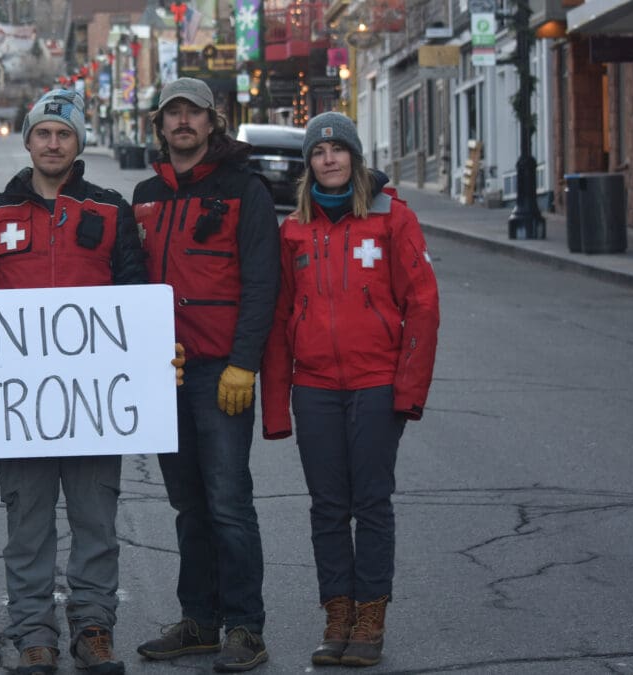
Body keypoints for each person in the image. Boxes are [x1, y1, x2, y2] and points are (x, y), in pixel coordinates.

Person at [0, 88, 148, 675]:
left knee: (95, 519)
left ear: (79, 142)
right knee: (28, 524)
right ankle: (34, 630)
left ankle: (93, 627)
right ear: (28, 139)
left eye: (64, 133)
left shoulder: (112, 210)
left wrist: (153, 357)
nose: (53, 142)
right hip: (19, 408)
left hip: (93, 405)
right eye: (43, 132)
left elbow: (137, 302)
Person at [260, 111, 440, 667]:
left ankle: (370, 617)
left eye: (338, 150)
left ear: (355, 159)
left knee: (371, 502)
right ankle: (337, 615)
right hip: (314, 388)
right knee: (327, 507)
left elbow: (423, 306)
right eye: (319, 152)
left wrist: (408, 390)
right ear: (308, 163)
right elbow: (280, 315)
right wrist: (276, 407)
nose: (329, 159)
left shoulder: (392, 219)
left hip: (375, 384)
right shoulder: (294, 229)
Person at [131, 78, 279, 673]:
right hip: (163, 374)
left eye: (193, 112)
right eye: (173, 114)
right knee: (188, 505)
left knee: (228, 503)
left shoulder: (245, 191)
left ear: (212, 122)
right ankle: (199, 619)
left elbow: (262, 282)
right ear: (160, 126)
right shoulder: (143, 195)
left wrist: (243, 363)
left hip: (221, 371)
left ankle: (245, 627)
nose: (183, 122)